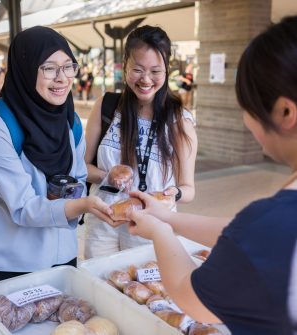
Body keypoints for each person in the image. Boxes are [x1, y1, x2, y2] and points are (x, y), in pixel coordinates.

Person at [126, 16, 297, 335]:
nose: (246, 119)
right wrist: (168, 218)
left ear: (285, 112)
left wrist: (160, 231)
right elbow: (241, 235)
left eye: (246, 105)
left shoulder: (273, 220)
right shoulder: (269, 224)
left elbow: (192, 298)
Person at [0, 26, 112, 289]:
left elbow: (76, 178)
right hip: (6, 263)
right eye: (49, 68)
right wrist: (82, 206)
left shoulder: (70, 121)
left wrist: (84, 198)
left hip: (62, 256)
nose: (62, 78)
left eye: (68, 66)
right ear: (25, 68)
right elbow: (23, 206)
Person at [84, 25, 197, 259]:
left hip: (150, 227)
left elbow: (188, 189)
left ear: (167, 70)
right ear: (124, 65)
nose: (146, 79)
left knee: (143, 293)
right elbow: (82, 167)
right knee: (100, 290)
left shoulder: (179, 120)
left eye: (156, 71)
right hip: (104, 221)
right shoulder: (107, 106)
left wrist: (173, 194)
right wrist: (108, 175)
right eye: (137, 69)